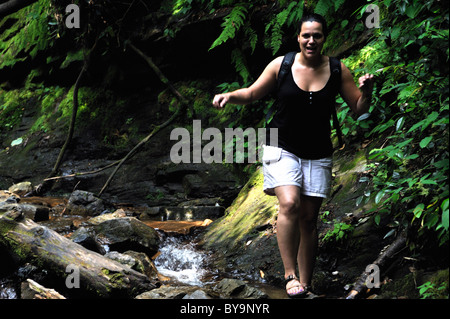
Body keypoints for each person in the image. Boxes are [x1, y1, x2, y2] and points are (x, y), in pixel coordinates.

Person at [212, 13, 374, 298]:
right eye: (306, 35)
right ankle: (289, 276)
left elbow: (359, 110)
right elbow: (251, 93)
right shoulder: (282, 65)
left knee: (309, 219)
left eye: (317, 35)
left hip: (318, 152)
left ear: (324, 38)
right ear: (298, 38)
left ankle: (306, 285)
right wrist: (230, 96)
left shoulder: (338, 70)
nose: (311, 40)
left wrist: (367, 91)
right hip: (281, 145)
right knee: (289, 204)